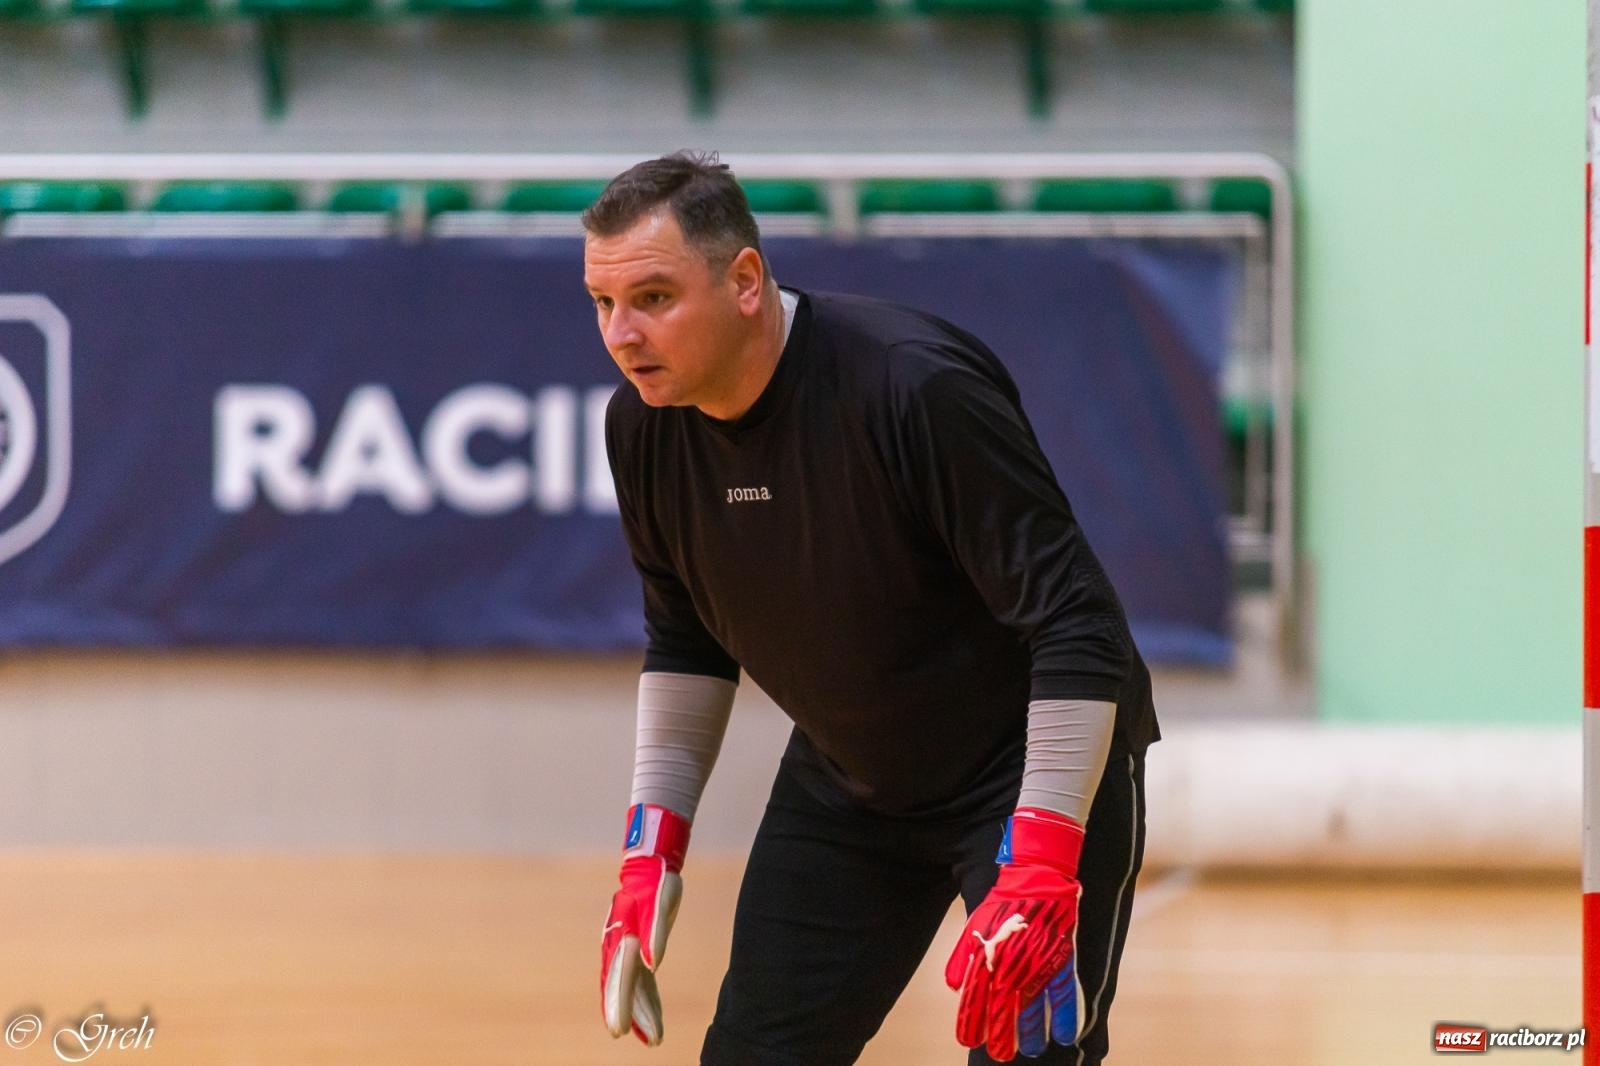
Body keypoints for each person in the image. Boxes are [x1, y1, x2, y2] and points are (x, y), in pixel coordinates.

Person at [586, 151, 1158, 1066]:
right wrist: (649, 851)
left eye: (652, 298)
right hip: (849, 787)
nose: (621, 333)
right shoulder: (642, 427)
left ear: (744, 281)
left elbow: (1078, 621)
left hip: (1022, 780)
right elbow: (685, 637)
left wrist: (1043, 862)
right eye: (603, 304)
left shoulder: (911, 385)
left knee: (1031, 1054)